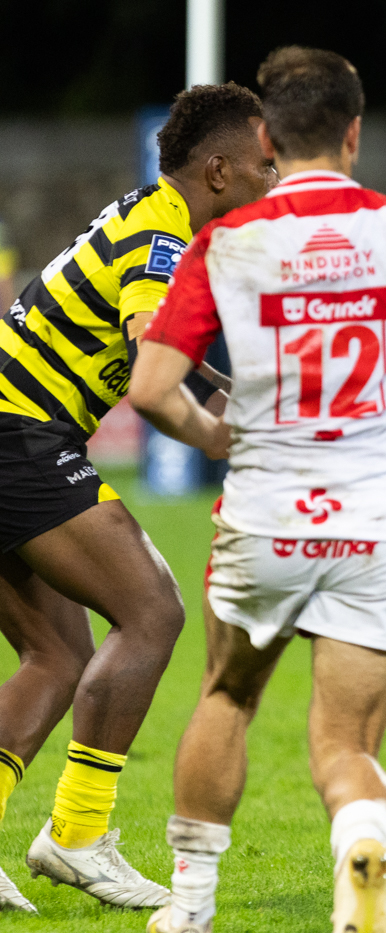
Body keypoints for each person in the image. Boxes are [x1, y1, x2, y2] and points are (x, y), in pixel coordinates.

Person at [128, 46, 386, 933]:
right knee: (344, 744)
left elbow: (151, 388)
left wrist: (216, 435)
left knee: (227, 696)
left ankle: (189, 906)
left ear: (267, 138)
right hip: (381, 521)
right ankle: (361, 841)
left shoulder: (227, 242)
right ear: (354, 134)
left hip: (266, 512)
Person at [0, 83, 273, 913]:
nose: (272, 179)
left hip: (16, 436)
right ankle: (78, 833)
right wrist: (215, 436)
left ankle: (73, 835)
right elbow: (149, 349)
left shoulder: (150, 215)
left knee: (58, 654)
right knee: (152, 611)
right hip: (19, 439)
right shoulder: (161, 238)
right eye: (264, 165)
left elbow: (161, 349)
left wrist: (226, 385)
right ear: (218, 170)